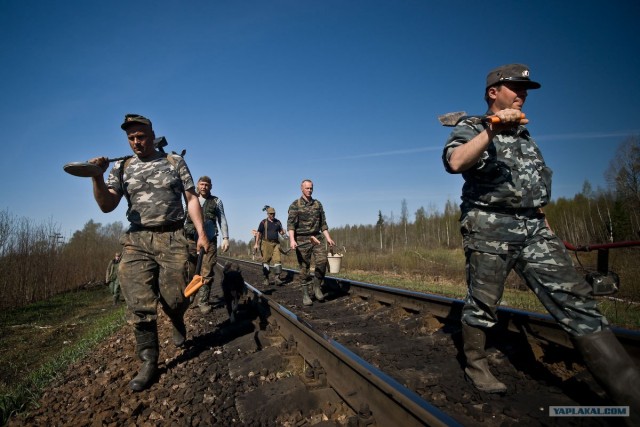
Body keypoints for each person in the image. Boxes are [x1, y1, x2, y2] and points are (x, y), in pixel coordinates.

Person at [442, 64, 639, 419]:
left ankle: (631, 394)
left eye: (525, 89)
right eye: (515, 87)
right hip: (490, 227)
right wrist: (493, 128)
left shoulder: (525, 136)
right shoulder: (472, 126)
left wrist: (544, 220)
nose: (523, 93)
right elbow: (456, 162)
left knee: (576, 301)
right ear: (493, 92)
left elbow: (530, 186)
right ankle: (475, 365)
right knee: (484, 302)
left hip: (534, 228)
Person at [88, 114, 209, 392]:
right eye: (131, 138)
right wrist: (96, 177)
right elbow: (107, 205)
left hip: (173, 236)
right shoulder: (121, 167)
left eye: (140, 136)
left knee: (177, 296)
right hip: (137, 239)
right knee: (139, 300)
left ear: (151, 135)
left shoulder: (173, 162)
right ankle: (148, 360)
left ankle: (177, 317)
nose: (136, 142)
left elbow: (191, 199)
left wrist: (201, 233)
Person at [184, 175, 229, 313]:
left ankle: (203, 301)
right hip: (190, 239)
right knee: (190, 270)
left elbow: (222, 219)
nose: (204, 187)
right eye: (202, 184)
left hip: (209, 241)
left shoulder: (216, 201)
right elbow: (182, 219)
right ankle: (190, 298)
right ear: (197, 185)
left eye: (207, 185)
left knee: (207, 270)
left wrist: (226, 237)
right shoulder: (190, 198)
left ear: (211, 186)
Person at [287, 179, 335, 306]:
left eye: (311, 188)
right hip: (302, 239)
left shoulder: (318, 204)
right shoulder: (295, 205)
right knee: (304, 267)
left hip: (317, 237)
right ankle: (305, 294)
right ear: (301, 189)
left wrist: (328, 238)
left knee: (322, 261)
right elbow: (290, 225)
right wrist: (292, 240)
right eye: (307, 188)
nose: (309, 190)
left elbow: (323, 224)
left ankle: (317, 285)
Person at [254, 206, 287, 286]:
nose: (272, 215)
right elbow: (259, 233)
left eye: (274, 214)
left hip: (276, 243)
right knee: (266, 261)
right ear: (268, 214)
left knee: (277, 260)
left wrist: (283, 232)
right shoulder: (263, 222)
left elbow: (281, 232)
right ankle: (266, 279)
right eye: (271, 214)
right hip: (266, 243)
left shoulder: (278, 222)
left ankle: (277, 278)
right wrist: (256, 243)